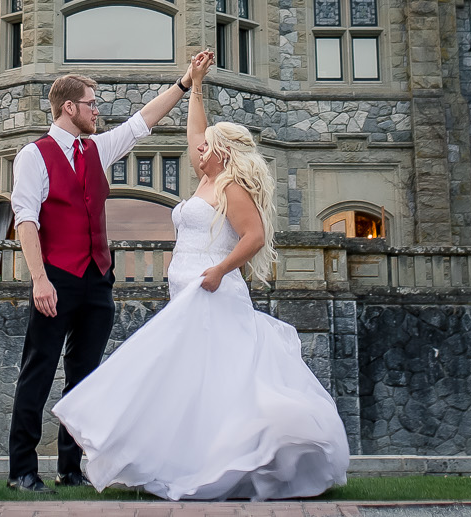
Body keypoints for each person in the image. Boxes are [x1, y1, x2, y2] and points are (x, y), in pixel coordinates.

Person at [53, 53, 350, 499]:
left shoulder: (230, 185)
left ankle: (242, 455)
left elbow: (253, 236)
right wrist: (194, 85)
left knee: (207, 375)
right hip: (188, 290)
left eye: (208, 147)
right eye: (203, 146)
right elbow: (195, 130)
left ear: (223, 153)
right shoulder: (206, 179)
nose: (199, 150)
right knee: (194, 380)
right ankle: (194, 457)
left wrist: (218, 271)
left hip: (213, 290)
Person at [6, 61, 202, 492]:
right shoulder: (33, 155)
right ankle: (21, 469)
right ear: (69, 107)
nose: (99, 112)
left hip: (97, 280)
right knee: (37, 371)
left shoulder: (96, 148)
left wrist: (184, 84)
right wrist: (39, 279)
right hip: (55, 276)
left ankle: (70, 468)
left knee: (86, 378)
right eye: (92, 105)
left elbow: (144, 121)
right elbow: (25, 220)